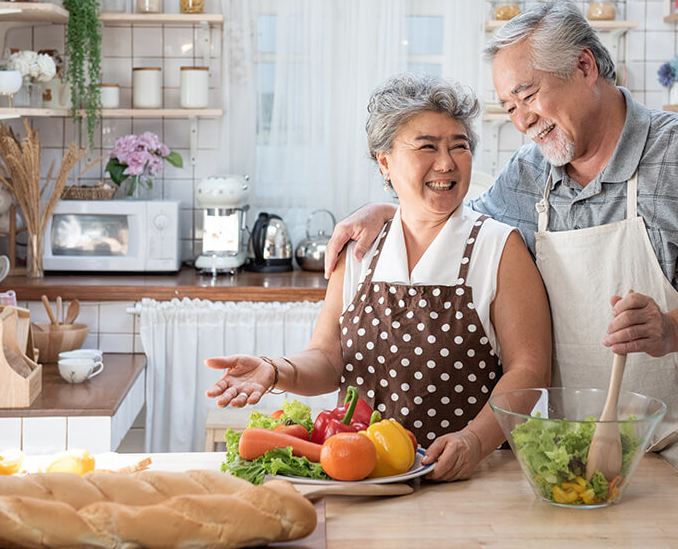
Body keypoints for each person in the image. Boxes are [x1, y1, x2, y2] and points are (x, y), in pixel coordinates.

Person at [323, 1, 678, 546]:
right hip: (582, 455)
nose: (522, 120)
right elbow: (456, 217)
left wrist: (672, 329)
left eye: (529, 95)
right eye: (509, 107)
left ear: (585, 68)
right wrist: (388, 210)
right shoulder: (530, 171)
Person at [206, 73, 552, 481]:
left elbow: (529, 369)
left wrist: (473, 441)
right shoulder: (361, 248)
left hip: (473, 476)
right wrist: (275, 368)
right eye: (427, 147)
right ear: (384, 162)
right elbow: (328, 359)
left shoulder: (497, 246)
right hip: (364, 475)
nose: (447, 162)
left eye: (459, 146)